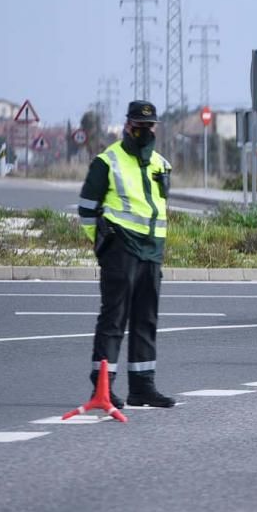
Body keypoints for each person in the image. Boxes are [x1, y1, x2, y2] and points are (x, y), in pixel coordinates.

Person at [76, 100, 176, 407]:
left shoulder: (161, 163)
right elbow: (86, 209)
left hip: (152, 250)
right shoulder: (108, 161)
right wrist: (103, 247)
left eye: (149, 127)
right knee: (114, 320)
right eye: (139, 126)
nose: (144, 131)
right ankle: (102, 390)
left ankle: (142, 387)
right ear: (127, 126)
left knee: (146, 320)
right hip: (120, 249)